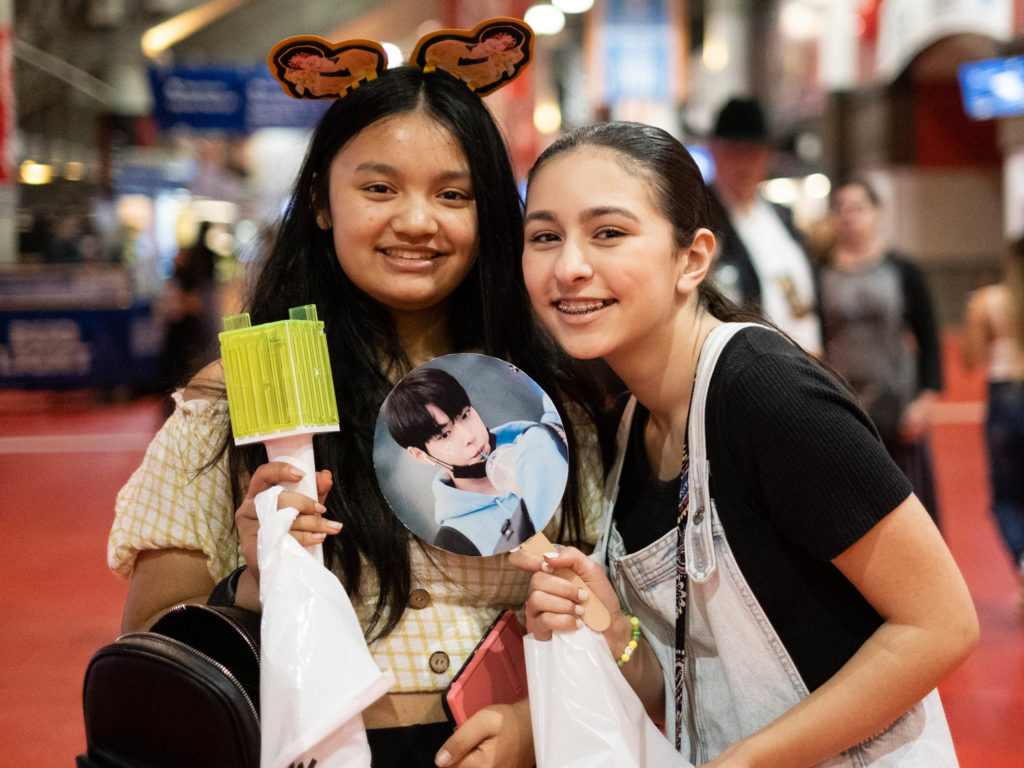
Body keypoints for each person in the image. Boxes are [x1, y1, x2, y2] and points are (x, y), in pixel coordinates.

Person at [108, 42, 606, 767]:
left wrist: (539, 721)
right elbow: (155, 648)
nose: (416, 221)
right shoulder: (236, 398)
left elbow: (623, 618)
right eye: (379, 189)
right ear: (319, 201)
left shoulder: (550, 396)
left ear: (492, 212)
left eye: (453, 194)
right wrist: (255, 578)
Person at [514, 121, 977, 766]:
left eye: (609, 232)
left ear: (693, 258)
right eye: (544, 237)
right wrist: (613, 630)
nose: (569, 266)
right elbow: (678, 683)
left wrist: (750, 760)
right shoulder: (629, 425)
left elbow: (940, 625)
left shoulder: (765, 392)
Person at [820, 178, 944, 522]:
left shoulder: (903, 269)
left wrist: (926, 399)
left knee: (912, 513)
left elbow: (929, 338)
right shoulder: (819, 273)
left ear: (877, 213)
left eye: (858, 207)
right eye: (840, 209)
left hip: (899, 406)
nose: (849, 216)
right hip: (844, 409)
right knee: (855, 513)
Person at [383, 364, 568, 556]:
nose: (469, 436)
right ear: (421, 455)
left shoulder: (540, 440)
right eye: (445, 435)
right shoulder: (457, 540)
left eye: (465, 415)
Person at [706, 96, 823, 356]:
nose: (745, 162)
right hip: (742, 359)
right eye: (734, 150)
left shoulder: (780, 215)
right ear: (714, 150)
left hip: (801, 357)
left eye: (754, 151)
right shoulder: (700, 217)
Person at [962, 236, 1024, 608]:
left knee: (1004, 498)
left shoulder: (990, 301)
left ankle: (1022, 559)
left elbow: (971, 358)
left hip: (1006, 396)